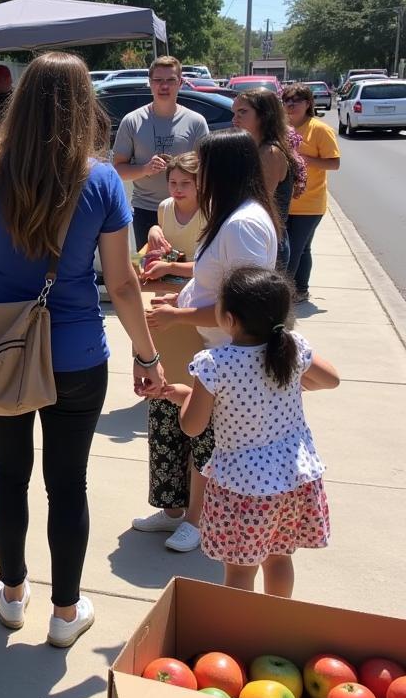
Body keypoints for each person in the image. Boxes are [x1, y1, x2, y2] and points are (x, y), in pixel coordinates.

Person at [0, 52, 164, 648]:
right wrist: (147, 357)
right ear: (83, 104)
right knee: (68, 483)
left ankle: (13, 594)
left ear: (19, 100)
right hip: (76, 352)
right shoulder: (100, 180)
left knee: (7, 473)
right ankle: (65, 613)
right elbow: (121, 283)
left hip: (2, 347)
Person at [162, 266, 339, 596]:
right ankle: (276, 625)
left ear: (229, 319)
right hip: (292, 478)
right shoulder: (292, 347)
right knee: (279, 559)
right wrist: (295, 381)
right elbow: (332, 379)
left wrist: (184, 399)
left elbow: (192, 425)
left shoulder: (215, 363)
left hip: (244, 486)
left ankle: (239, 638)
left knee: (241, 570)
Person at [146, 129, 279, 553]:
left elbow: (243, 307)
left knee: (205, 437)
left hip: (231, 356)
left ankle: (198, 520)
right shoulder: (232, 216)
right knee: (180, 424)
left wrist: (178, 314)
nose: (193, 181)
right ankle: (176, 509)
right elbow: (215, 280)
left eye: (201, 171)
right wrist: (182, 297)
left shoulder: (242, 225)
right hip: (212, 347)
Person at [131, 153, 214, 541]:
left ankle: (197, 519)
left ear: (201, 185)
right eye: (173, 183)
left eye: (186, 184)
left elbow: (211, 267)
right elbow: (156, 252)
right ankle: (171, 508)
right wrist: (151, 240)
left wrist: (171, 268)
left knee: (198, 421)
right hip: (163, 319)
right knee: (163, 412)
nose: (178, 191)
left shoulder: (214, 212)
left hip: (197, 323)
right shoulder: (164, 209)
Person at [112, 55, 210, 250]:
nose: (164, 86)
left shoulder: (196, 122)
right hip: (147, 209)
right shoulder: (132, 121)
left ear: (180, 83)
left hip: (187, 210)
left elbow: (207, 169)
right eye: (158, 80)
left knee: (187, 269)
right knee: (149, 270)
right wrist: (145, 169)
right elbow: (118, 170)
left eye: (170, 80)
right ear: (150, 83)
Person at [231, 89, 304, 271]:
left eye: (243, 112)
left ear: (264, 115)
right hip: (257, 236)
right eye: (234, 113)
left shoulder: (270, 153)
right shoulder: (253, 148)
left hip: (267, 241)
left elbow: (258, 203)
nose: (235, 119)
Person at [283, 83, 341, 303]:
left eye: (296, 101)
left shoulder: (319, 129)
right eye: (286, 100)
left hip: (309, 204)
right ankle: (301, 290)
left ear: (308, 104)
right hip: (284, 202)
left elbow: (334, 163)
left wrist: (303, 160)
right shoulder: (281, 128)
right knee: (303, 249)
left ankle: (285, 296)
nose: (290, 105)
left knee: (293, 250)